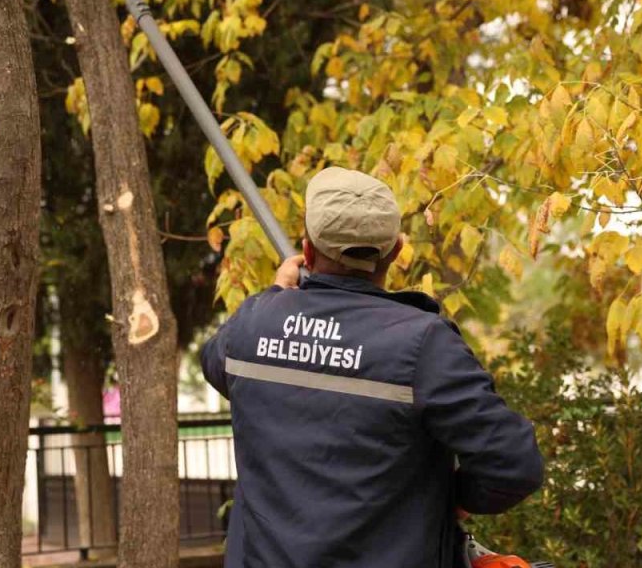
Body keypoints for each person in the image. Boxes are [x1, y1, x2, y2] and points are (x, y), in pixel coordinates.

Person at [201, 167, 544, 568]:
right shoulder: (422, 344)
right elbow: (513, 464)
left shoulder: (253, 323)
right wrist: (456, 498)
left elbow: (214, 363)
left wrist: (276, 295)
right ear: (397, 251)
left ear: (307, 251)